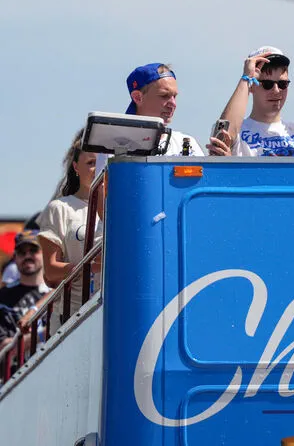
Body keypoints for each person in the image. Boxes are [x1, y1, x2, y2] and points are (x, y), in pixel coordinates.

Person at [38, 131, 103, 326]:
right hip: (73, 318)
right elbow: (51, 271)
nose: (96, 169)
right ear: (76, 167)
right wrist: (93, 267)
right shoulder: (60, 208)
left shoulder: (122, 208)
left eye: (100, 164)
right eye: (90, 163)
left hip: (112, 309)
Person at [96, 63, 208, 176]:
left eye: (174, 96)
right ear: (137, 97)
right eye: (164, 96)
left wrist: (223, 160)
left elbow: (205, 188)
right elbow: (103, 192)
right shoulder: (112, 145)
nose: (173, 104)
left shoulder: (187, 141)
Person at [0, 231, 50, 348]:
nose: (27, 256)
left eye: (33, 251)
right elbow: (3, 346)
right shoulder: (2, 297)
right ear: (15, 257)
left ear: (44, 254)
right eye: (22, 253)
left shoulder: (58, 291)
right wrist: (45, 333)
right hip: (19, 366)